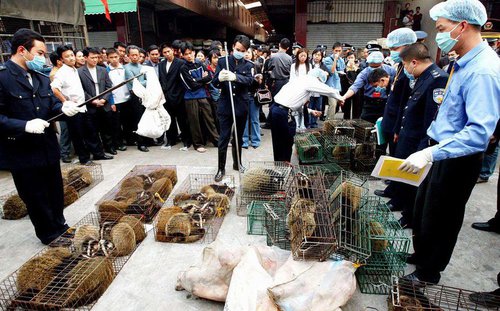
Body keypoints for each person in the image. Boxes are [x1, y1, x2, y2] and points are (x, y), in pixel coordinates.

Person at [399, 0, 500, 285]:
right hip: (439, 150)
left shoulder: (483, 70)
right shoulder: (462, 62)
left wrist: (433, 152)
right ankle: (422, 256)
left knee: (441, 218)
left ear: (462, 26)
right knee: (423, 211)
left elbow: (479, 132)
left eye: (442, 28)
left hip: (457, 157)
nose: (438, 35)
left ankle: (429, 272)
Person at [0, 28, 80, 244]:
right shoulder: (3, 77)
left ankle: (60, 226)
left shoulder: (41, 77)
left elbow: (51, 105)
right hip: (22, 150)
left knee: (54, 190)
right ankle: (48, 234)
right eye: (40, 53)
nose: (44, 57)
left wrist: (64, 107)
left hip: (46, 146)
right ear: (22, 50)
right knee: (35, 195)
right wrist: (24, 125)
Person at [52, 45, 111, 164]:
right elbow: (54, 88)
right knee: (78, 136)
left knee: (90, 132)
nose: (71, 58)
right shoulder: (62, 72)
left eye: (72, 55)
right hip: (73, 110)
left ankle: (98, 154)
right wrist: (65, 102)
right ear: (61, 59)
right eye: (67, 57)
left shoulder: (74, 69)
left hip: (83, 108)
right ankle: (84, 159)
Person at [270, 68, 344, 161]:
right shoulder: (310, 80)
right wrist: (340, 98)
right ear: (317, 78)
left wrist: (310, 111)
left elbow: (294, 102)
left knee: (279, 141)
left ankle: (280, 165)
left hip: (276, 109)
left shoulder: (299, 80)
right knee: (285, 141)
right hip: (282, 112)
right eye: (320, 81)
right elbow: (329, 91)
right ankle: (284, 164)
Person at [213, 35, 254, 181]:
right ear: (232, 47)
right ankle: (220, 168)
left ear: (246, 51)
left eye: (242, 50)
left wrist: (235, 77)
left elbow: (250, 81)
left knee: (238, 139)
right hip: (225, 106)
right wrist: (219, 78)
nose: (239, 52)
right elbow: (214, 83)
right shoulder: (223, 61)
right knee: (223, 138)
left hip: (241, 107)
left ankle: (238, 163)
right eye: (237, 49)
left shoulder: (249, 65)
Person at [179, 41, 219, 153]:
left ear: (194, 52)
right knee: (194, 122)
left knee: (209, 119)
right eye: (186, 54)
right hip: (190, 98)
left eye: (190, 53)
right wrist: (202, 80)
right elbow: (191, 86)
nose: (189, 55)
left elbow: (210, 77)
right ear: (182, 55)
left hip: (203, 95)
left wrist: (197, 80)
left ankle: (217, 140)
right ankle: (198, 144)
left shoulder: (200, 64)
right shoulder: (183, 68)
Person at [78, 47, 115, 156]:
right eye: (92, 57)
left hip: (104, 104)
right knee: (92, 130)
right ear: (85, 58)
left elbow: (109, 86)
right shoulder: (79, 72)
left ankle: (110, 147)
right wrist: (93, 101)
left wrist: (104, 99)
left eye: (97, 57)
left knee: (107, 129)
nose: (95, 60)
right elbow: (81, 90)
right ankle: (97, 152)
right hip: (91, 105)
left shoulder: (103, 70)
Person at [340, 51, 396, 124]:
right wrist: (344, 97)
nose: (375, 70)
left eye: (377, 67)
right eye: (372, 67)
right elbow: (355, 87)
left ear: (382, 63)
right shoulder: (364, 73)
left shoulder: (390, 70)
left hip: (385, 103)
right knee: (365, 124)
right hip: (370, 103)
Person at [158, 42, 191, 150]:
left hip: (179, 96)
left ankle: (187, 142)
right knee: (169, 120)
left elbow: (183, 80)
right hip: (166, 97)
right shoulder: (161, 64)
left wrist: (180, 94)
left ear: (173, 51)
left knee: (182, 121)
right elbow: (161, 80)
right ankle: (171, 141)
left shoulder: (180, 63)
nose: (167, 54)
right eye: (164, 52)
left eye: (168, 51)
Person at [124, 45, 151, 152]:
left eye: (137, 55)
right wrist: (147, 82)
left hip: (146, 95)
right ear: (129, 56)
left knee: (147, 117)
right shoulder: (127, 68)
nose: (135, 57)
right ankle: (141, 143)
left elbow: (147, 80)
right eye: (133, 55)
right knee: (138, 120)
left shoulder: (143, 67)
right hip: (135, 96)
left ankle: (148, 140)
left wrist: (145, 82)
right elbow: (135, 83)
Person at [262, 38, 292, 130]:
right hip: (286, 81)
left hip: (276, 82)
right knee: (284, 103)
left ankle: (270, 122)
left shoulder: (274, 57)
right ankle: (281, 121)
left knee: (273, 102)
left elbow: (269, 68)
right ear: (288, 48)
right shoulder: (289, 58)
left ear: (279, 45)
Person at [106, 47, 128, 152]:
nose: (114, 59)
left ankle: (129, 140)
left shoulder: (124, 68)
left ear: (119, 57)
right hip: (116, 101)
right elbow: (107, 88)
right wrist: (111, 102)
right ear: (107, 58)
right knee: (116, 124)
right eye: (111, 57)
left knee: (127, 122)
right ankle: (119, 143)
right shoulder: (107, 71)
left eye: (116, 57)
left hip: (127, 99)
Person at [241, 49, 261, 149]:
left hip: (253, 96)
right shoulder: (239, 66)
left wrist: (258, 80)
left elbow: (261, 82)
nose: (246, 55)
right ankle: (244, 141)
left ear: (252, 54)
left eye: (248, 52)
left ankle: (255, 141)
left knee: (255, 119)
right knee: (244, 119)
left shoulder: (256, 65)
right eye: (244, 52)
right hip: (242, 96)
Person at [290, 48, 310, 131]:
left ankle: (302, 125)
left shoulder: (309, 66)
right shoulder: (293, 66)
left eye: (305, 56)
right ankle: (296, 125)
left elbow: (309, 78)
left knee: (303, 108)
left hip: (305, 90)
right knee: (296, 108)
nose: (303, 57)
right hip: (296, 89)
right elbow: (292, 79)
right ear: (297, 56)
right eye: (301, 56)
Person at [323, 42, 346, 118]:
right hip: (330, 85)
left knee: (336, 105)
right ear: (333, 50)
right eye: (336, 50)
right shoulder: (327, 60)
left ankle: (330, 120)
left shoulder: (342, 60)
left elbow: (341, 70)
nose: (338, 52)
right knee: (332, 104)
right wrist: (335, 59)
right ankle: (329, 123)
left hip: (337, 85)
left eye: (339, 51)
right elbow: (332, 71)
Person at [343, 51, 362, 120]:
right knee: (347, 107)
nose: (350, 59)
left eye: (352, 57)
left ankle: (356, 121)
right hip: (347, 88)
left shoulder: (358, 66)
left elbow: (360, 76)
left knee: (356, 106)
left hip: (356, 89)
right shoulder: (344, 66)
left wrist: (355, 67)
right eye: (349, 57)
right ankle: (346, 121)